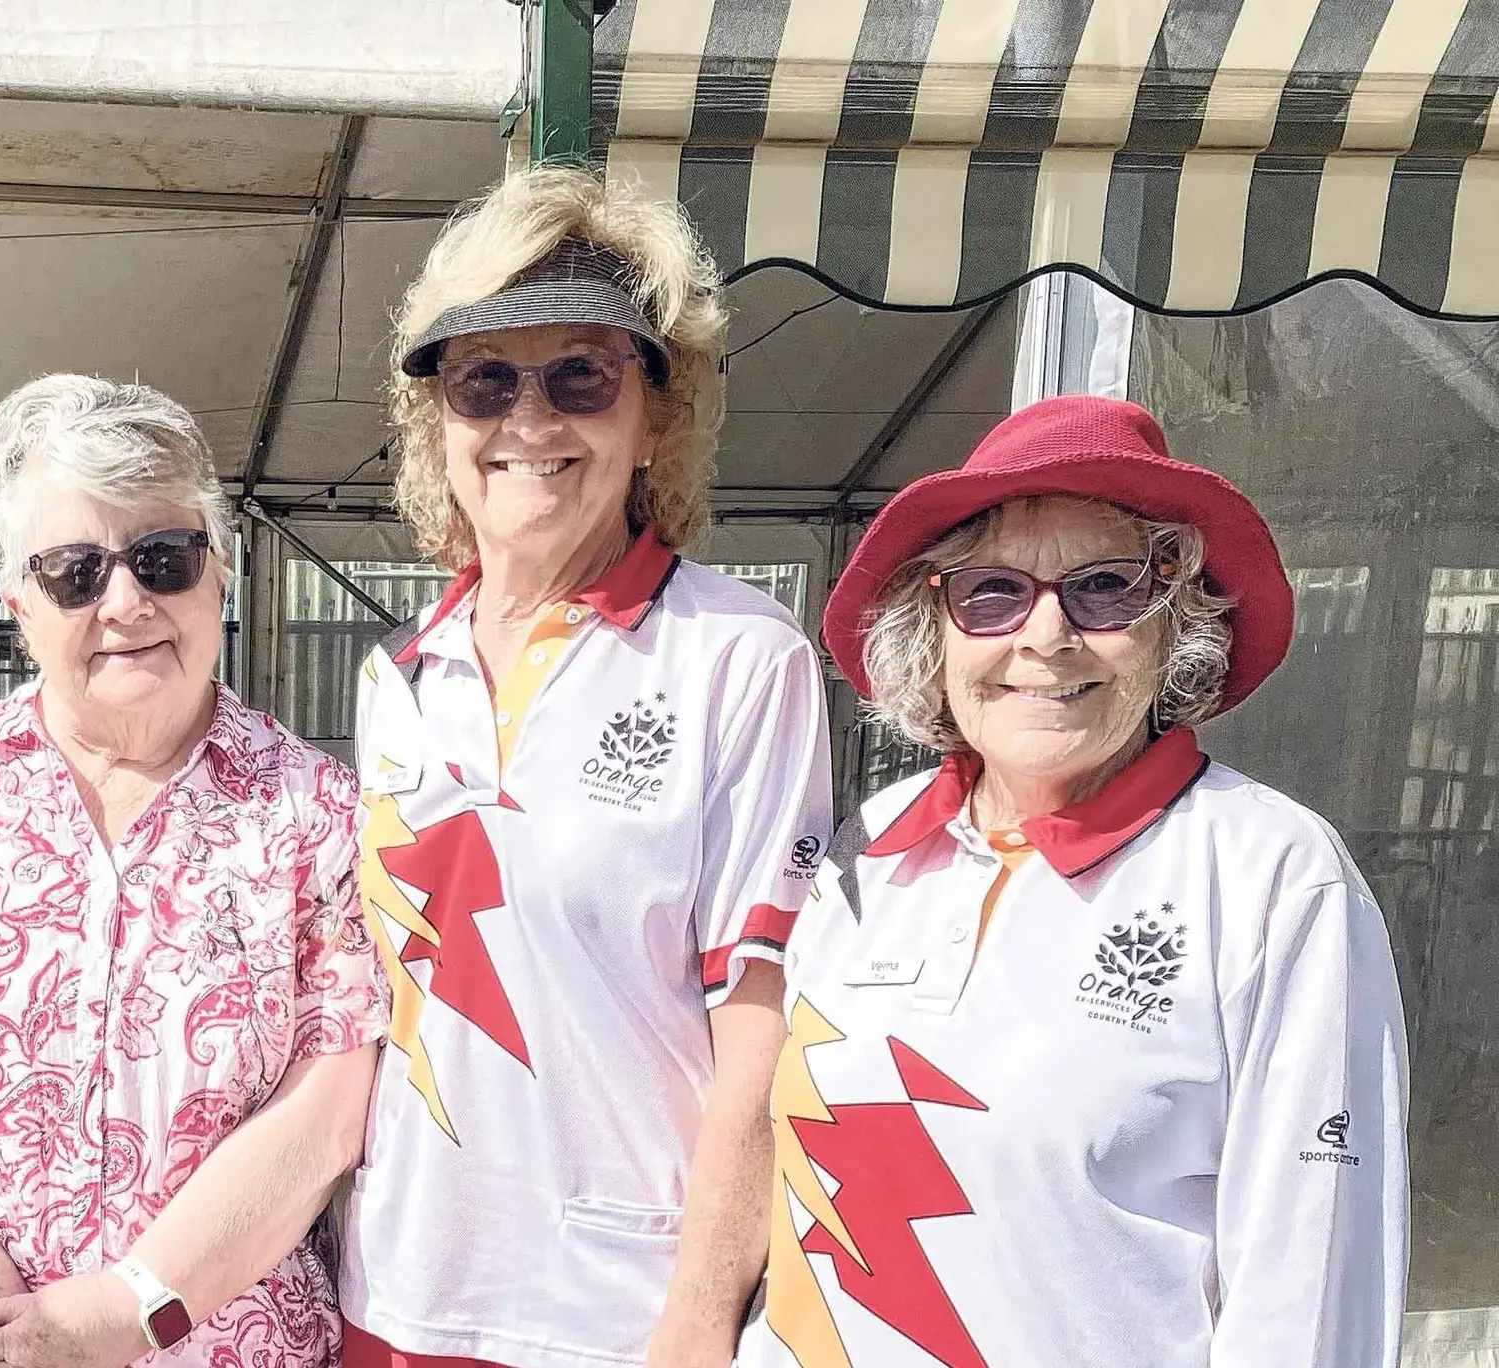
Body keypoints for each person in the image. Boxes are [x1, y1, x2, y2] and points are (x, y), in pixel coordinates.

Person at [738, 395, 1408, 1368]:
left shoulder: (1270, 879)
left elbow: (1309, 1299)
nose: (1045, 636)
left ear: (1176, 616)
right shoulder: (869, 849)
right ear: (933, 627)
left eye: (1103, 587)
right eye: (992, 593)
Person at [0, 373, 384, 1368]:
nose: (126, 601)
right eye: (75, 572)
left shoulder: (314, 811)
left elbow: (328, 1102)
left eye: (162, 558)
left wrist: (129, 1310)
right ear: (17, 602)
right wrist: (9, 1338)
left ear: (219, 568)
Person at [334, 166, 834, 1368]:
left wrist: (699, 1322)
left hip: (610, 1315)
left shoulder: (740, 660)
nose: (528, 422)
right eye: (483, 381)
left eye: (580, 377)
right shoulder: (398, 675)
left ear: (657, 411)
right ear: (435, 422)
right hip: (394, 1293)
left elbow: (761, 1028)